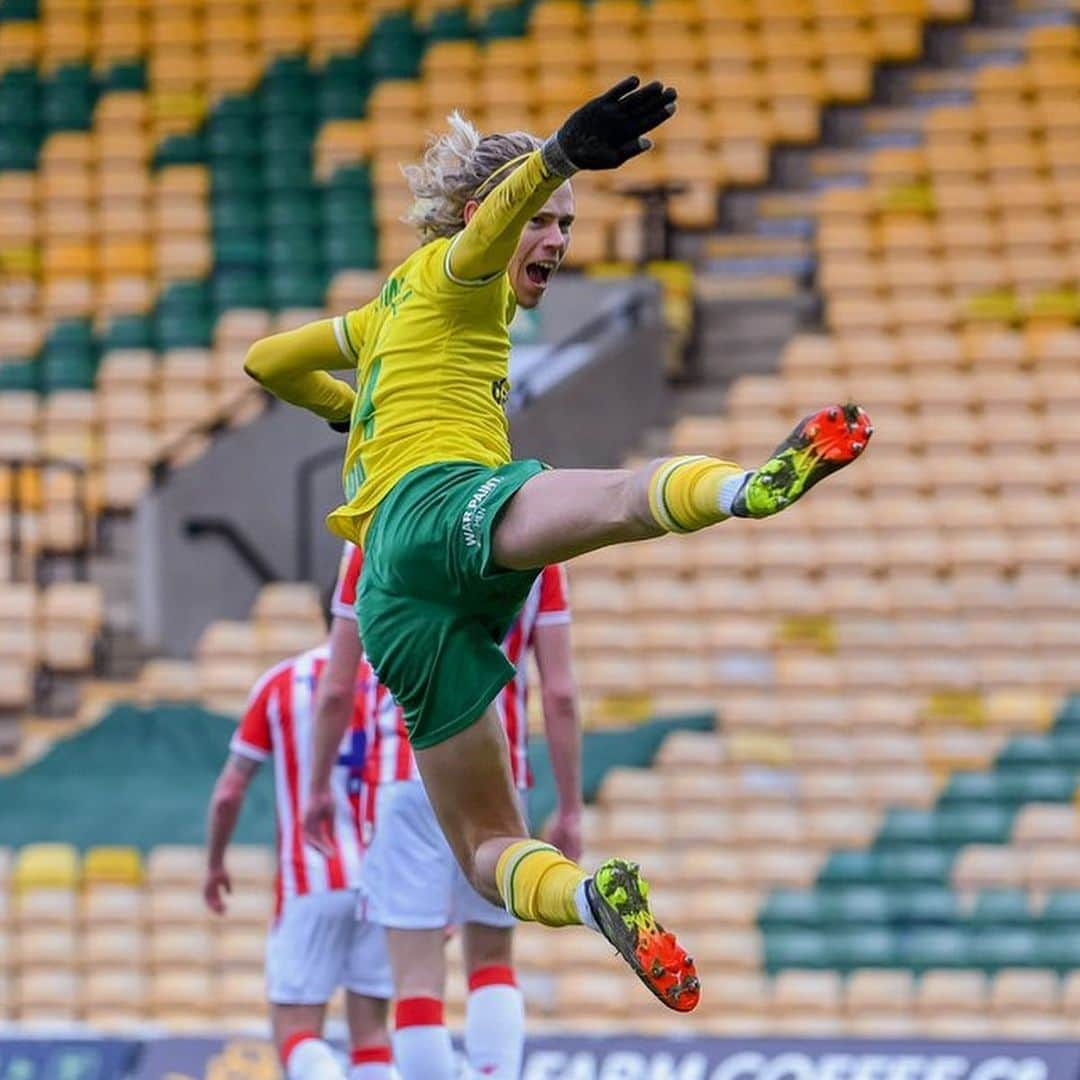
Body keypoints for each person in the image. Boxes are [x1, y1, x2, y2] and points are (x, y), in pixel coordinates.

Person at [244, 76, 873, 1013]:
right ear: (481, 217)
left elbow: (266, 362)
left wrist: (357, 419)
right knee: (615, 498)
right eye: (546, 221)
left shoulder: (384, 316)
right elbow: (489, 229)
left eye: (566, 224)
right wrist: (556, 158)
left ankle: (589, 897)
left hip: (393, 596)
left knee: (487, 848)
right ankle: (750, 488)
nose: (556, 240)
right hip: (437, 507)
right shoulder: (455, 272)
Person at [314, 542, 581, 1079]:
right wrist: (570, 806)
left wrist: (319, 785)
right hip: (497, 774)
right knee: (492, 961)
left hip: (403, 771)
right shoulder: (535, 529)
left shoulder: (370, 534)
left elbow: (337, 689)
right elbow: (560, 694)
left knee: (415, 983)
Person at [204, 644, 394, 1080]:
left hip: (310, 879)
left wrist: (215, 862)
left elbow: (230, 792)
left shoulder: (280, 683)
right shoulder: (395, 679)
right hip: (384, 884)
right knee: (371, 1037)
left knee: (294, 1031)